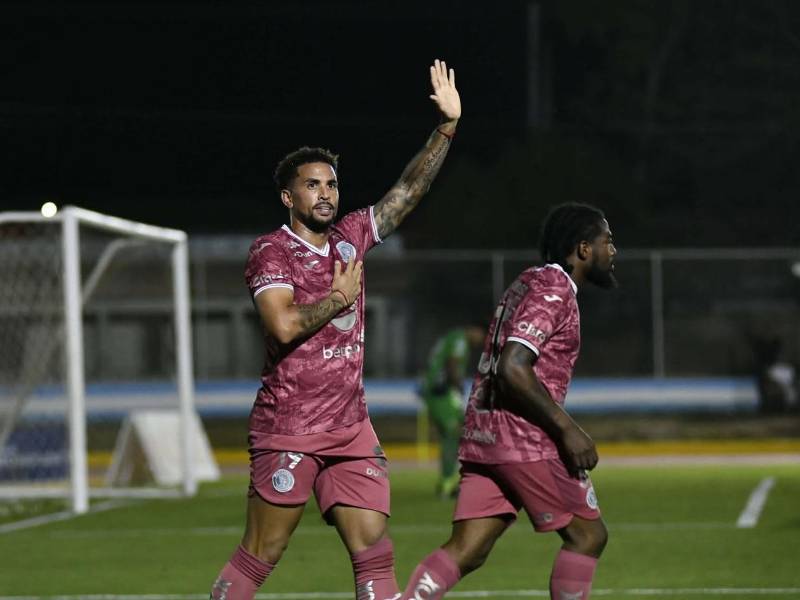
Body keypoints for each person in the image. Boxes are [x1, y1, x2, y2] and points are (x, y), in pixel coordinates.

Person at [209, 59, 460, 600]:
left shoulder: (351, 235)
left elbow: (406, 193)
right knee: (261, 554)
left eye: (331, 184)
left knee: (374, 549)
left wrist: (446, 127)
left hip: (349, 428)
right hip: (289, 426)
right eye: (312, 185)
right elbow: (281, 326)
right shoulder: (271, 251)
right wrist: (338, 299)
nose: (325, 193)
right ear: (288, 198)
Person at [401, 203, 617, 600]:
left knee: (469, 548)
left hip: (486, 435)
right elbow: (514, 367)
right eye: (608, 241)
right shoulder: (554, 289)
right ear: (584, 249)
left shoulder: (529, 281)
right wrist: (569, 430)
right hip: (524, 438)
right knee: (588, 536)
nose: (613, 252)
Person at [419, 326, 484, 498]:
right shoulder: (460, 340)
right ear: (475, 330)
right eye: (481, 336)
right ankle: (447, 484)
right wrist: (458, 385)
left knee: (456, 434)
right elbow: (452, 362)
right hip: (442, 392)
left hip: (437, 391)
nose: (480, 342)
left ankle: (450, 481)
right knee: (454, 433)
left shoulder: (451, 337)